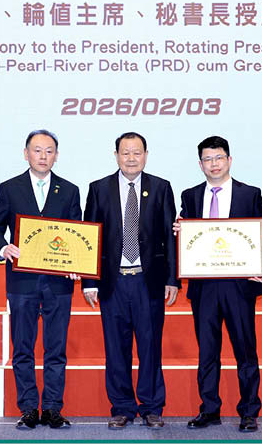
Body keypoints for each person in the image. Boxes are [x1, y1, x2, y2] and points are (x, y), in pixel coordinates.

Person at [177, 135, 262, 433]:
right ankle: (209, 409)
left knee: (245, 350)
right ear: (200, 164)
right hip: (204, 285)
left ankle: (249, 411)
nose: (214, 164)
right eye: (208, 159)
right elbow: (188, 238)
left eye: (219, 157)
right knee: (208, 352)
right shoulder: (190, 195)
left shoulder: (250, 194)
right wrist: (179, 230)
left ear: (229, 160)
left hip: (238, 284)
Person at [82, 132, 179, 430]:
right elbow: (90, 237)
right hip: (113, 282)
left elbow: (170, 237)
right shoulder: (98, 188)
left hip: (148, 281)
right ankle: (122, 407)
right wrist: (89, 282)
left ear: (146, 155)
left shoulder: (161, 187)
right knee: (116, 348)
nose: (131, 158)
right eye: (125, 153)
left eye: (137, 152)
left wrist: (172, 279)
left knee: (150, 346)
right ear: (116, 156)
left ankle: (152, 407)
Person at [0, 129, 82, 430]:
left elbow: (77, 233)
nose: (43, 156)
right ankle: (28, 408)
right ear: (26, 153)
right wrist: (3, 247)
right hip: (22, 281)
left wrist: (77, 263)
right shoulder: (9, 188)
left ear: (57, 155)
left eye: (49, 151)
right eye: (37, 150)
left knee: (56, 348)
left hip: (58, 282)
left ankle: (52, 408)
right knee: (23, 347)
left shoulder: (70, 190)